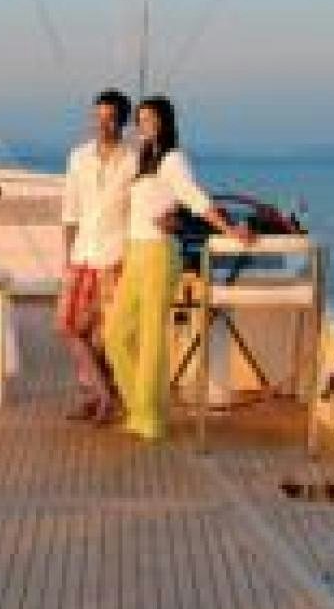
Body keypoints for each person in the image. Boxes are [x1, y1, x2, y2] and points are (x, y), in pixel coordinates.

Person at [104, 96, 249, 442]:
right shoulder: (143, 159)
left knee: (153, 338)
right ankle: (141, 407)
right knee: (116, 334)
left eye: (151, 118)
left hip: (158, 254)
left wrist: (229, 229)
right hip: (135, 252)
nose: (144, 125)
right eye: (140, 119)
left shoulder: (173, 159)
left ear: (165, 122)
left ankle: (150, 418)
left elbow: (195, 198)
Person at [58, 90, 138, 424]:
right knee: (69, 327)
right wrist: (67, 258)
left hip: (116, 255)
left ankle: (98, 399)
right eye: (98, 117)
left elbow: (141, 209)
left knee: (104, 336)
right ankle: (103, 395)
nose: (102, 124)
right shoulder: (78, 157)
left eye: (110, 118)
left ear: (122, 120)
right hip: (82, 255)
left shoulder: (135, 159)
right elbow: (70, 211)